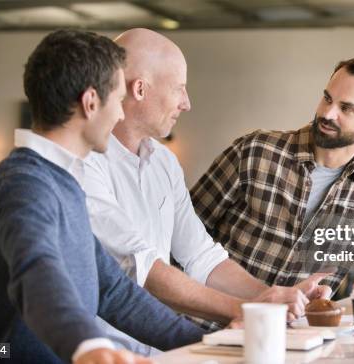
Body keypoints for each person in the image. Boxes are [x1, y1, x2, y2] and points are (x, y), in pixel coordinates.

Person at [82, 28, 330, 354]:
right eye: (179, 89)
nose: (187, 103)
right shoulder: (84, 160)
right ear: (139, 89)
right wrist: (251, 309)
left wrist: (275, 296)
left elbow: (202, 257)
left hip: (159, 351)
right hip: (96, 353)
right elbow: (139, 268)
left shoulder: (164, 163)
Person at [0, 29, 204, 364]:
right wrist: (86, 346)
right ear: (91, 102)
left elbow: (113, 291)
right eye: (116, 98)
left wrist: (208, 341)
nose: (121, 114)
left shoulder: (63, 181)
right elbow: (38, 275)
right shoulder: (24, 184)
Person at [191, 55, 354, 303]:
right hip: (211, 327)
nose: (328, 113)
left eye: (346, 108)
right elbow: (181, 233)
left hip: (298, 337)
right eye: (327, 98)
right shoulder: (255, 151)